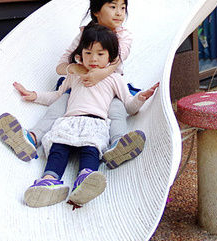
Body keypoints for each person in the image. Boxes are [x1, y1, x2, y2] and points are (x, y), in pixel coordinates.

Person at [0, 0, 146, 170]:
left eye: (123, 8)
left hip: (110, 87)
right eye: (113, 6)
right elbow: (61, 67)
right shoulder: (84, 35)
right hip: (80, 85)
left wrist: (98, 74)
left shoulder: (123, 36)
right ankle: (31, 137)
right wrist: (75, 70)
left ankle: (117, 144)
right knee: (59, 105)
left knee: (117, 110)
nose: (119, 13)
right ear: (97, 11)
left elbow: (115, 61)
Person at [14, 24, 159, 208]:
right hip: (69, 122)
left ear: (111, 57)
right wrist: (34, 95)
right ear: (79, 55)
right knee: (58, 149)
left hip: (95, 123)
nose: (93, 59)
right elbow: (57, 96)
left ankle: (85, 180)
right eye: (88, 53)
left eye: (100, 54)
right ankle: (49, 180)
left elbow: (129, 106)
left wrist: (141, 97)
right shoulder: (74, 75)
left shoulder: (114, 79)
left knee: (91, 150)